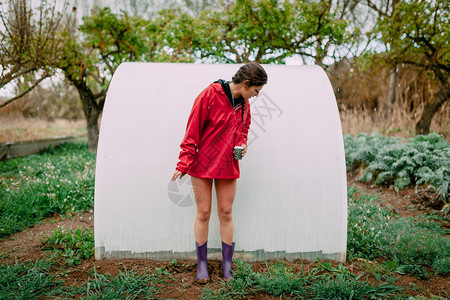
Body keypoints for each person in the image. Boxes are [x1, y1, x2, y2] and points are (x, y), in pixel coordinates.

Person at [171, 62, 268, 283]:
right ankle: (202, 265)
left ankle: (226, 267)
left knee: (226, 212)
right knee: (203, 213)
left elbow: (243, 129)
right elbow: (192, 131)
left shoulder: (244, 103)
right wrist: (184, 162)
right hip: (202, 165)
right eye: (256, 90)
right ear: (246, 83)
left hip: (227, 164)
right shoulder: (209, 94)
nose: (255, 95)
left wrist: (242, 143)